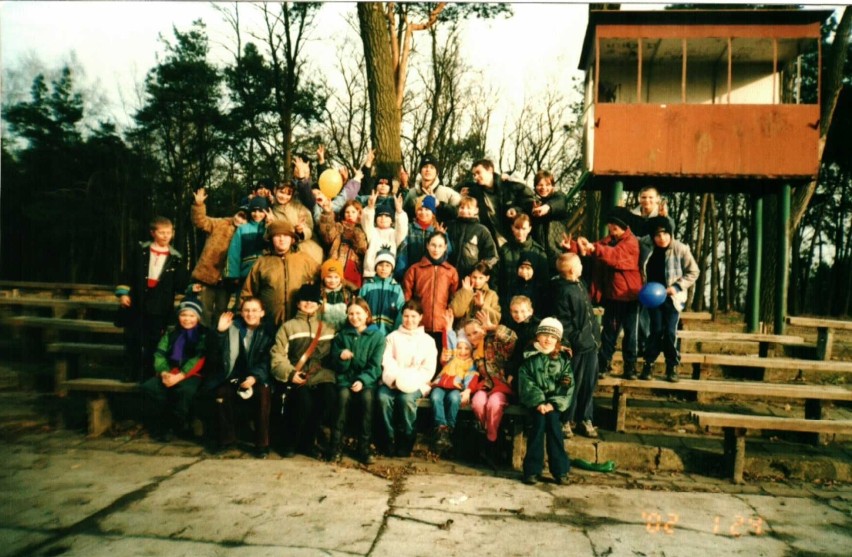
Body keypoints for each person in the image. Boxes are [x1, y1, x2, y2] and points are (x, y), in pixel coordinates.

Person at [116, 216, 186, 382]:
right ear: (152, 233)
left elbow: (181, 283)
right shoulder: (141, 251)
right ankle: (130, 373)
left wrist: (193, 286)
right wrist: (123, 293)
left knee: (153, 342)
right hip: (137, 301)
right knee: (133, 338)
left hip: (160, 306)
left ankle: (147, 374)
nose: (165, 236)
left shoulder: (176, 257)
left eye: (168, 233)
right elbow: (127, 273)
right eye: (161, 232)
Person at [271, 283, 337, 458]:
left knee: (328, 397)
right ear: (298, 303)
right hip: (297, 376)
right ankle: (291, 442)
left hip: (320, 376)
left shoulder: (328, 328)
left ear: (319, 304)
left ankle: (308, 442)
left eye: (313, 300)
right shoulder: (288, 327)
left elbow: (333, 357)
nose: (309, 303)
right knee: (303, 402)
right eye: (304, 300)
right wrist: (290, 373)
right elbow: (277, 356)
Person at [576, 207, 642, 379]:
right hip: (613, 296)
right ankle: (604, 364)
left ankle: (631, 366)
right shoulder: (608, 240)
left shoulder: (631, 243)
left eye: (615, 228)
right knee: (609, 333)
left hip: (630, 296)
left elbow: (615, 257)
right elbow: (594, 249)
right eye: (611, 227)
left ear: (623, 226)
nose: (612, 231)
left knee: (631, 334)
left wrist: (593, 248)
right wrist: (575, 246)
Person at [205, 297, 274, 458]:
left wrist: (255, 377)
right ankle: (227, 439)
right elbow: (214, 354)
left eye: (255, 310)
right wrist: (220, 332)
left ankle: (262, 444)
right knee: (222, 393)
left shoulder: (269, 332)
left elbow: (268, 360)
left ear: (262, 313)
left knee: (263, 394)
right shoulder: (233, 328)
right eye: (247, 310)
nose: (250, 314)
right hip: (234, 375)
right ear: (241, 312)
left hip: (257, 376)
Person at [639, 216, 699, 382]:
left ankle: (672, 366)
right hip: (652, 298)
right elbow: (630, 237)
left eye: (665, 234)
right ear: (652, 236)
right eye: (658, 235)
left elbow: (694, 272)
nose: (662, 238)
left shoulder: (680, 249)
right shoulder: (646, 245)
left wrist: (677, 287)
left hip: (672, 298)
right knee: (655, 331)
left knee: (670, 332)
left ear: (671, 234)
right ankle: (648, 364)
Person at [140, 298, 207, 442]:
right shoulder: (171, 333)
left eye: (192, 316)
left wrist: (180, 376)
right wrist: (164, 372)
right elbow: (160, 353)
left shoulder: (202, 335)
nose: (187, 319)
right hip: (170, 371)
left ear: (198, 318)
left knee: (185, 391)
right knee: (151, 387)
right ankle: (161, 425)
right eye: (184, 315)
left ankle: (180, 425)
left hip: (190, 374)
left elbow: (198, 358)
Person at [549, 253, 601, 438]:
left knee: (589, 383)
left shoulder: (580, 283)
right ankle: (565, 420)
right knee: (573, 384)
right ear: (572, 270)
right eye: (579, 264)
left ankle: (585, 418)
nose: (582, 266)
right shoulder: (562, 290)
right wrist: (576, 340)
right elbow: (564, 322)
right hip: (578, 347)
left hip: (591, 344)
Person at [329, 297, 386, 464]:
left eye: (358, 313)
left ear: (367, 313)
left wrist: (362, 380)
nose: (355, 317)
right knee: (342, 397)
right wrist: (342, 357)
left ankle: (364, 447)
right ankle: (336, 446)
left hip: (366, 380)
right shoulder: (342, 336)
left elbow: (375, 366)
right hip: (345, 379)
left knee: (367, 399)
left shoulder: (377, 337)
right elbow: (334, 361)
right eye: (351, 314)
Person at [518, 318, 574, 485]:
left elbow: (567, 383)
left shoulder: (563, 360)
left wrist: (553, 403)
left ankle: (560, 470)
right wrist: (539, 402)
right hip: (535, 404)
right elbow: (526, 381)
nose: (548, 339)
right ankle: (532, 470)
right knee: (537, 427)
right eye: (545, 335)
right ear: (538, 336)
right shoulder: (530, 358)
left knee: (554, 428)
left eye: (552, 337)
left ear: (558, 340)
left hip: (553, 405)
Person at [379, 299, 438, 457]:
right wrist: (396, 380)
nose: (409, 320)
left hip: (415, 383)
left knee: (405, 400)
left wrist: (408, 382)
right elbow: (386, 361)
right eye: (406, 316)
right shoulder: (392, 337)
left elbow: (428, 369)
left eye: (413, 316)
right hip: (392, 381)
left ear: (420, 317)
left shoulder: (428, 341)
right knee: (383, 398)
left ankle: (407, 438)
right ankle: (389, 438)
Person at [461, 311, 517, 468]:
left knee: (493, 404)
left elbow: (512, 339)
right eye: (469, 334)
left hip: (501, 385)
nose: (472, 337)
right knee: (478, 403)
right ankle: (492, 436)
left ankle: (491, 443)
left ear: (483, 330)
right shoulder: (473, 351)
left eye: (475, 332)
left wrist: (494, 327)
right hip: (485, 385)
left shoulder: (495, 341)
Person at [240, 220, 320, 327]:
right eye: (277, 236)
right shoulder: (262, 262)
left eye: (286, 236)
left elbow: (324, 281)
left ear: (292, 239)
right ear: (271, 239)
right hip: (268, 326)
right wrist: (240, 317)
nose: (282, 239)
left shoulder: (305, 259)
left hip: (300, 325)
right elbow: (247, 293)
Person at [189, 188, 247, 329]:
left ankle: (217, 341)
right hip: (207, 277)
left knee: (221, 311)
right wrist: (199, 206)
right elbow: (201, 221)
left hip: (226, 281)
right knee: (204, 311)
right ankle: (201, 342)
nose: (240, 219)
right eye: (239, 215)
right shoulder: (220, 223)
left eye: (245, 218)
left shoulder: (246, 234)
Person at [402, 231, 459, 353]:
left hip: (441, 326)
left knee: (441, 362)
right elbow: (407, 296)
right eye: (433, 245)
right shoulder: (415, 269)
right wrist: (412, 317)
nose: (436, 249)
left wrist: (448, 318)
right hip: (419, 325)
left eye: (440, 246)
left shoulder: (451, 271)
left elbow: (454, 298)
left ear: (445, 248)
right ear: (427, 245)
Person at [460, 158, 534, 247]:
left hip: (515, 238)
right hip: (493, 241)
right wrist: (460, 194)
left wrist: (516, 210)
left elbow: (528, 201)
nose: (475, 177)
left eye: (479, 172)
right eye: (474, 174)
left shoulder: (508, 184)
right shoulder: (475, 191)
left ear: (490, 170)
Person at [429, 321, 475, 453]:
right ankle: (441, 427)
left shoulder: (470, 363)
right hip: (441, 385)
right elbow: (450, 344)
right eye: (460, 347)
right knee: (436, 396)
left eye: (466, 348)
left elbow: (471, 377)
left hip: (456, 388)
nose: (462, 351)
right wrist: (448, 328)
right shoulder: (451, 358)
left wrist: (467, 390)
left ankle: (449, 429)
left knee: (454, 399)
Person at [498, 214, 548, 314]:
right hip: (509, 304)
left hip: (531, 306)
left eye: (524, 228)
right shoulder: (504, 250)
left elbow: (543, 283)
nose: (520, 232)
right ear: (512, 228)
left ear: (529, 229)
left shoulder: (538, 252)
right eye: (517, 228)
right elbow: (498, 278)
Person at [522, 170, 570, 271]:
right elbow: (524, 203)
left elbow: (560, 203)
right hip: (537, 253)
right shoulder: (532, 201)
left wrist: (547, 207)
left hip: (557, 251)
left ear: (553, 186)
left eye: (548, 184)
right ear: (535, 186)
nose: (544, 188)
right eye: (540, 185)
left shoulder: (559, 197)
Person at [318, 198, 368, 290]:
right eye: (347, 212)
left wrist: (355, 231)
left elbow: (362, 248)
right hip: (336, 266)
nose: (350, 215)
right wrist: (327, 213)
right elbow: (327, 236)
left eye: (353, 212)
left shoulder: (362, 229)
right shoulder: (338, 226)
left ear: (359, 214)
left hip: (353, 268)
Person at [269, 181, 324, 266]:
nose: (284, 197)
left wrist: (301, 231)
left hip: (308, 250)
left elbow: (309, 227)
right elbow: (269, 236)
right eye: (281, 192)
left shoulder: (299, 207)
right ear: (275, 190)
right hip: (285, 254)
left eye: (288, 194)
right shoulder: (271, 211)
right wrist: (269, 224)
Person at [446, 195, 499, 281]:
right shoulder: (450, 226)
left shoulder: (481, 230)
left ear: (476, 210)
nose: (465, 211)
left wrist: (480, 269)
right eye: (462, 207)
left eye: (469, 208)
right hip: (449, 274)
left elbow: (492, 256)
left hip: (470, 277)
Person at [395, 195, 447, 281]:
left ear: (433, 213)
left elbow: (447, 252)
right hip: (411, 274)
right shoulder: (409, 229)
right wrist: (401, 273)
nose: (423, 212)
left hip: (430, 276)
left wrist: (442, 237)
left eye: (427, 209)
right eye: (420, 209)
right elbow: (402, 252)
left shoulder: (437, 230)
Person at [361, 190, 408, 278]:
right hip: (370, 274)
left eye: (387, 216)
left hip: (388, 274)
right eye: (380, 216)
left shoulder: (394, 234)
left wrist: (399, 211)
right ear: (375, 219)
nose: (383, 218)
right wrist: (370, 208)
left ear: (392, 220)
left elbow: (402, 228)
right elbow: (366, 221)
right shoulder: (372, 231)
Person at [358, 248, 406, 335]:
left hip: (390, 333)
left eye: (387, 265)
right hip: (369, 332)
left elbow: (401, 311)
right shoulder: (367, 287)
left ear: (392, 268)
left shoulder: (396, 288)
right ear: (375, 267)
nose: (383, 268)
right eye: (380, 265)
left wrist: (395, 332)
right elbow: (359, 308)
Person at [225, 195, 269, 288]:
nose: (257, 214)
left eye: (261, 211)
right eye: (254, 210)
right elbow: (234, 253)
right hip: (246, 274)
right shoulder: (242, 229)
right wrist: (233, 275)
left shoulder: (269, 227)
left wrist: (270, 225)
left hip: (266, 273)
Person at [402, 153, 460, 223]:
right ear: (420, 171)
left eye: (432, 167)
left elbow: (459, 213)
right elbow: (404, 217)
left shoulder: (448, 193)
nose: (428, 170)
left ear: (437, 173)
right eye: (425, 166)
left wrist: (439, 204)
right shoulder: (411, 193)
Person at [319, 259, 355, 330]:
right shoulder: (319, 294)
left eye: (336, 277)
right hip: (324, 332)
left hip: (343, 331)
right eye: (329, 277)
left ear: (341, 278)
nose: (333, 281)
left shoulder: (348, 294)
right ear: (323, 278)